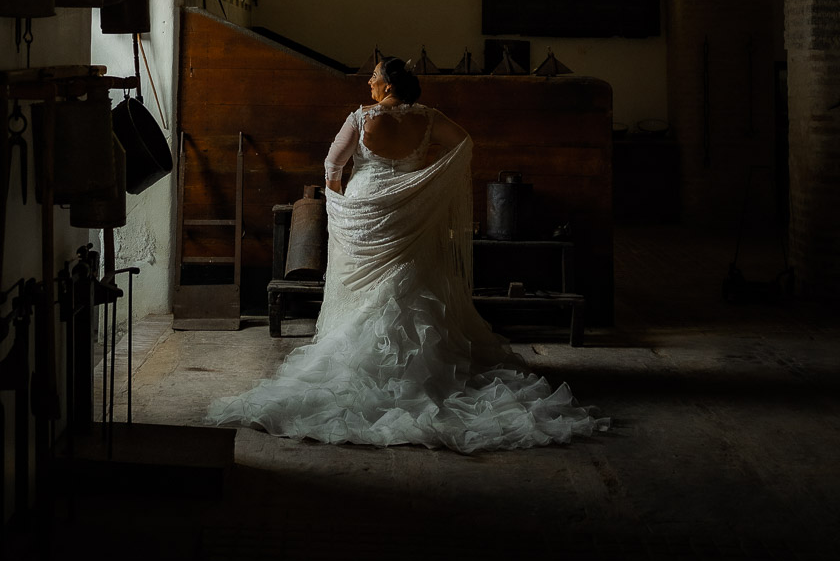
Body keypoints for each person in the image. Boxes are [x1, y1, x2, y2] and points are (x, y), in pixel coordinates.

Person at [207, 56, 608, 452]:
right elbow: (465, 144)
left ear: (389, 85)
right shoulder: (429, 118)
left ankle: (362, 366)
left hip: (367, 210)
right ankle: (425, 372)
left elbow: (332, 164)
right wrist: (425, 185)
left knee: (364, 290)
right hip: (409, 212)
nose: (369, 83)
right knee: (414, 280)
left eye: (374, 77)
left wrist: (340, 204)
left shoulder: (362, 118)